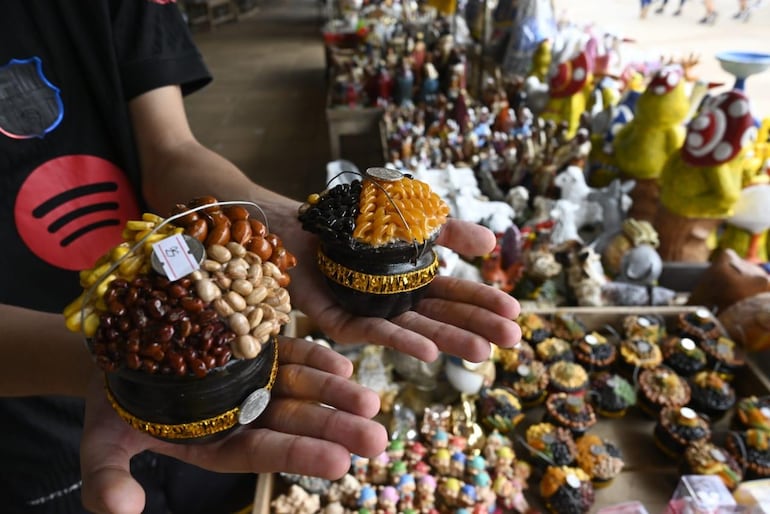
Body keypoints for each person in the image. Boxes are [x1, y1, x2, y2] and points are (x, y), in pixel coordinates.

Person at [0, 2, 522, 514]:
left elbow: (168, 152)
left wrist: (277, 219)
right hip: (30, 410)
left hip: (175, 357)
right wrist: (104, 366)